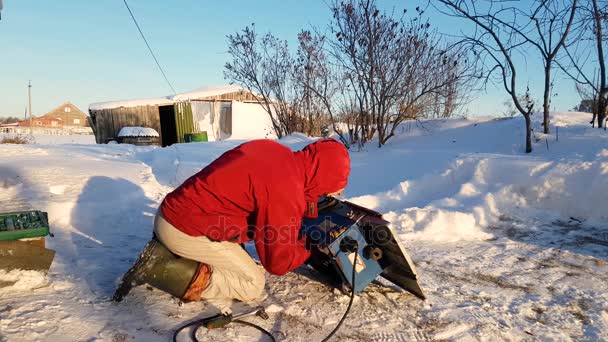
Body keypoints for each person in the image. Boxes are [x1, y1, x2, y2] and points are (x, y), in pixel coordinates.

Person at [154, 138, 350, 302]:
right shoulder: (285, 188)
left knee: (242, 263)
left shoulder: (279, 154)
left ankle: (184, 256)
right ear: (324, 178)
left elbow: (291, 194)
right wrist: (309, 246)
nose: (322, 195)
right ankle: (162, 269)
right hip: (181, 229)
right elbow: (278, 263)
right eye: (325, 191)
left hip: (175, 211)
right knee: (252, 283)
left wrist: (310, 209)